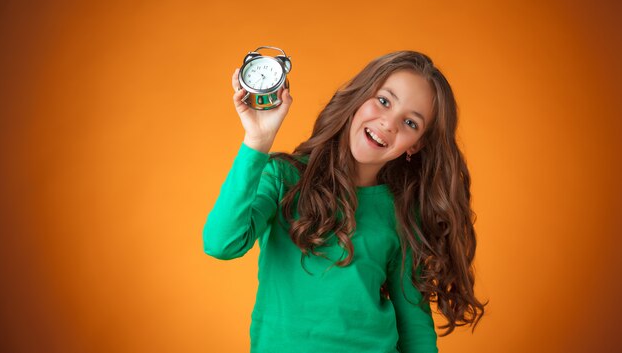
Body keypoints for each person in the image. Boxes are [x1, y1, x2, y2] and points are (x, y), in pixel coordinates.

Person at [203, 51, 486, 353]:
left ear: (415, 146)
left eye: (410, 123)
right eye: (384, 101)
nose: (389, 124)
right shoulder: (283, 177)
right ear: (359, 97)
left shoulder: (402, 211)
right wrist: (257, 140)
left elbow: (414, 325)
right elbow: (222, 243)